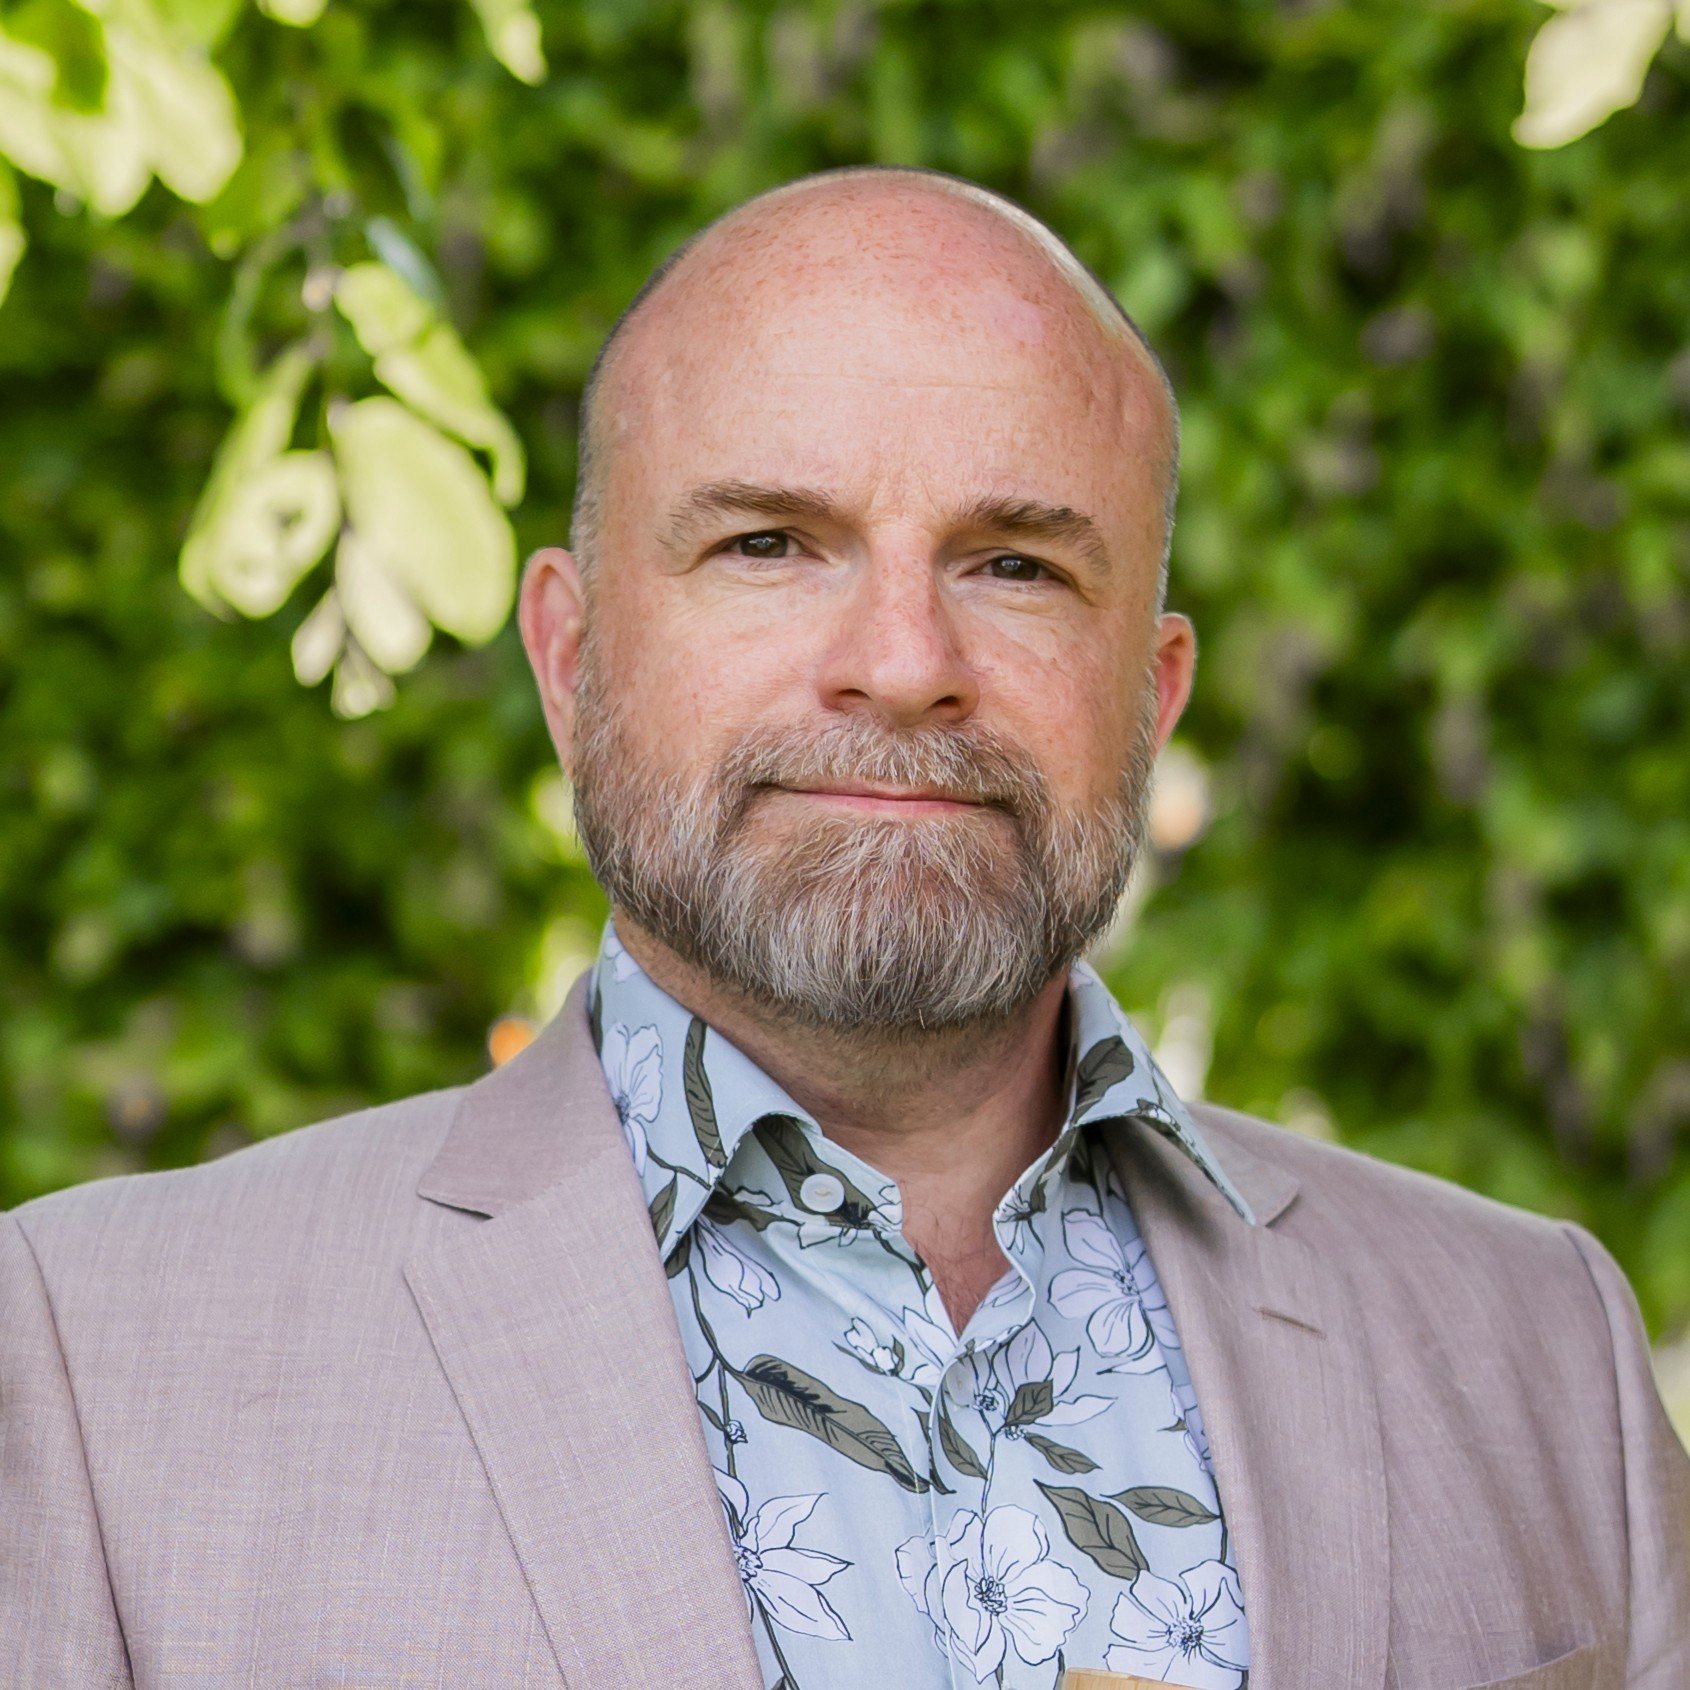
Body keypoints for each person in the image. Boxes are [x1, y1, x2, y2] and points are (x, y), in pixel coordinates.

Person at [2, 167, 1685, 1690]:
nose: (899, 658)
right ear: (570, 660)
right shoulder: (94, 1360)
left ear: (1152, 695)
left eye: (1017, 565)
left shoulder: (1543, 1351)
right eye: (768, 543)